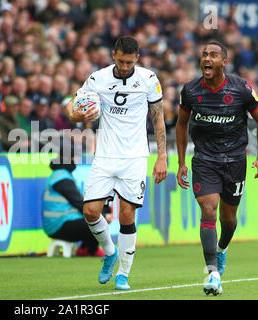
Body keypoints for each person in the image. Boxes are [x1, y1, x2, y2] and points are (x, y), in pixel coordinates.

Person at [66, 36, 167, 290]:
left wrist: (162, 156)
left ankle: (123, 273)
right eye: (121, 61)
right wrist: (74, 113)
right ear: (114, 55)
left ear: (138, 58)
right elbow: (73, 102)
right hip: (106, 156)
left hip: (135, 158)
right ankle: (109, 252)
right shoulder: (98, 78)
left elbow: (158, 119)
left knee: (126, 215)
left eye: (129, 62)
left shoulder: (149, 80)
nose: (124, 66)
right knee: (90, 211)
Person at [175, 40, 258, 296]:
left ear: (224, 62)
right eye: (204, 54)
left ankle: (222, 248)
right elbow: (181, 124)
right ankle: (213, 273)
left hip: (235, 161)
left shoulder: (241, 88)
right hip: (205, 160)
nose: (207, 58)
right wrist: (182, 162)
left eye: (214, 55)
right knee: (208, 208)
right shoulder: (191, 90)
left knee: (228, 221)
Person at [42, 147, 112, 257]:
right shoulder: (62, 177)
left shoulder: (61, 175)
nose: (77, 161)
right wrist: (102, 215)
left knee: (96, 220)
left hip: (60, 223)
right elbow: (79, 202)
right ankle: (90, 249)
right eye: (76, 157)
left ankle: (86, 247)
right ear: (70, 158)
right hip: (59, 225)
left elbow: (80, 202)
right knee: (97, 221)